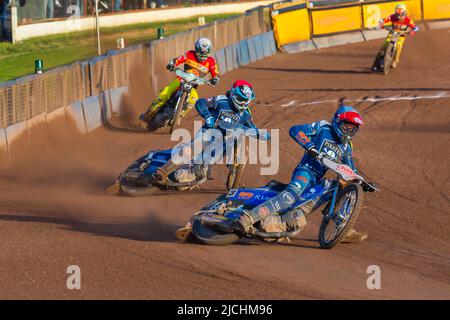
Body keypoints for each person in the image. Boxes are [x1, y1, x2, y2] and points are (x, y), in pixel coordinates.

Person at [218, 105, 376, 243]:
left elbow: (351, 168)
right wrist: (310, 147)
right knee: (290, 196)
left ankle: (342, 226)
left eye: (353, 128)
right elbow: (295, 130)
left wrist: (362, 181)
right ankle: (248, 218)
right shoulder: (323, 128)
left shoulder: (347, 147)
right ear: (337, 121)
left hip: (317, 180)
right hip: (306, 171)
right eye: (347, 126)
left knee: (339, 189)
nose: (349, 130)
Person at [153, 80, 269, 184]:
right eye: (241, 99)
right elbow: (200, 102)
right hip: (208, 133)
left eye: (246, 101)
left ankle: (233, 170)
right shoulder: (221, 100)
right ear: (233, 94)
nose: (243, 103)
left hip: (222, 143)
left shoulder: (246, 114)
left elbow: (252, 128)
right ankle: (163, 171)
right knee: (193, 148)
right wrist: (208, 116)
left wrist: (261, 134)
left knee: (201, 171)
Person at [140, 37, 220, 126]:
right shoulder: (190, 54)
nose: (202, 57)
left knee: (193, 100)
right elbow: (179, 59)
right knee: (165, 93)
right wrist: (172, 64)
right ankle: (148, 115)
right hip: (180, 80)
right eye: (200, 53)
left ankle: (178, 116)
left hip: (193, 86)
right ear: (196, 49)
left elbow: (215, 73)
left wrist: (215, 79)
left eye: (205, 54)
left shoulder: (211, 61)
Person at [372, 3, 418, 71]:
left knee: (399, 46)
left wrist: (413, 31)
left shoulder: (407, 20)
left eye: (400, 11)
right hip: (392, 33)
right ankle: (375, 64)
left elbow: (416, 27)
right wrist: (381, 23)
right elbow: (383, 20)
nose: (399, 13)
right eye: (397, 10)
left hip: (401, 35)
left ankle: (395, 61)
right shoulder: (392, 17)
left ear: (404, 11)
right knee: (384, 46)